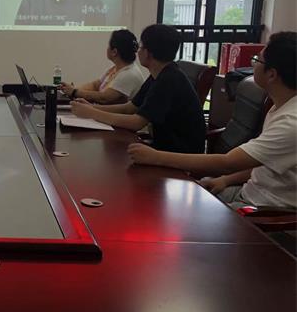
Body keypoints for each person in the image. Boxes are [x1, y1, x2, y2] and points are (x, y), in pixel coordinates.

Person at [128, 32, 296, 211]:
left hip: (264, 210)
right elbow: (264, 162)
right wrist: (225, 180)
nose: (253, 64)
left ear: (271, 75)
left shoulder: (290, 123)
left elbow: (228, 162)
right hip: (247, 192)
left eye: (257, 60)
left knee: (168, 210)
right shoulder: (280, 106)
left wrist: (156, 157)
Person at [71, 24, 206, 153]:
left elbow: (136, 122)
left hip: (178, 154)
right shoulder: (159, 74)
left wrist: (92, 113)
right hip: (163, 146)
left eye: (140, 47)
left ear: (148, 53)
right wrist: (91, 108)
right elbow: (129, 108)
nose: (137, 52)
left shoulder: (168, 79)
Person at [59, 29, 145, 104]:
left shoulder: (129, 74)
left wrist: (75, 92)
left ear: (114, 52)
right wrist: (71, 90)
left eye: (108, 45)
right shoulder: (115, 68)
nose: (107, 48)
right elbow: (95, 85)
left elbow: (104, 97)